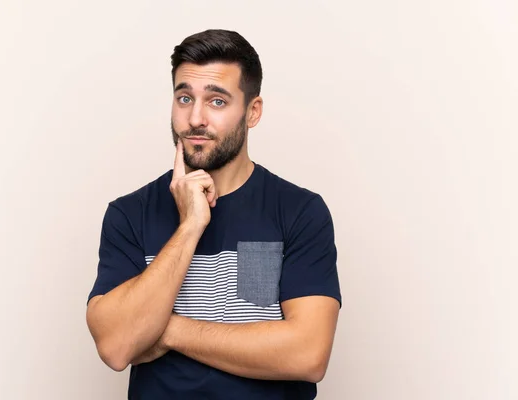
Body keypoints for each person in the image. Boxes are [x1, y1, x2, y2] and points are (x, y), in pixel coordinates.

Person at [85, 29, 342, 400]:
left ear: (252, 112)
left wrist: (163, 329)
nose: (195, 118)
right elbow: (115, 346)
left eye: (217, 101)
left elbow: (307, 355)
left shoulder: (298, 211)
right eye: (184, 97)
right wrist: (190, 226)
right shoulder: (129, 214)